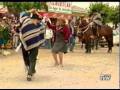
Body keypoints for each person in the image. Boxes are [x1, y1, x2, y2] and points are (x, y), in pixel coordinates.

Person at [18, 9, 45, 81]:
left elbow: (23, 15)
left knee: (28, 57)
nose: (38, 21)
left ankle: (30, 70)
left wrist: (31, 11)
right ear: (36, 19)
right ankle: (30, 73)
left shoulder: (25, 20)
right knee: (32, 59)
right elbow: (42, 28)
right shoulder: (39, 25)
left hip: (25, 43)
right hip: (34, 44)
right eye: (38, 20)